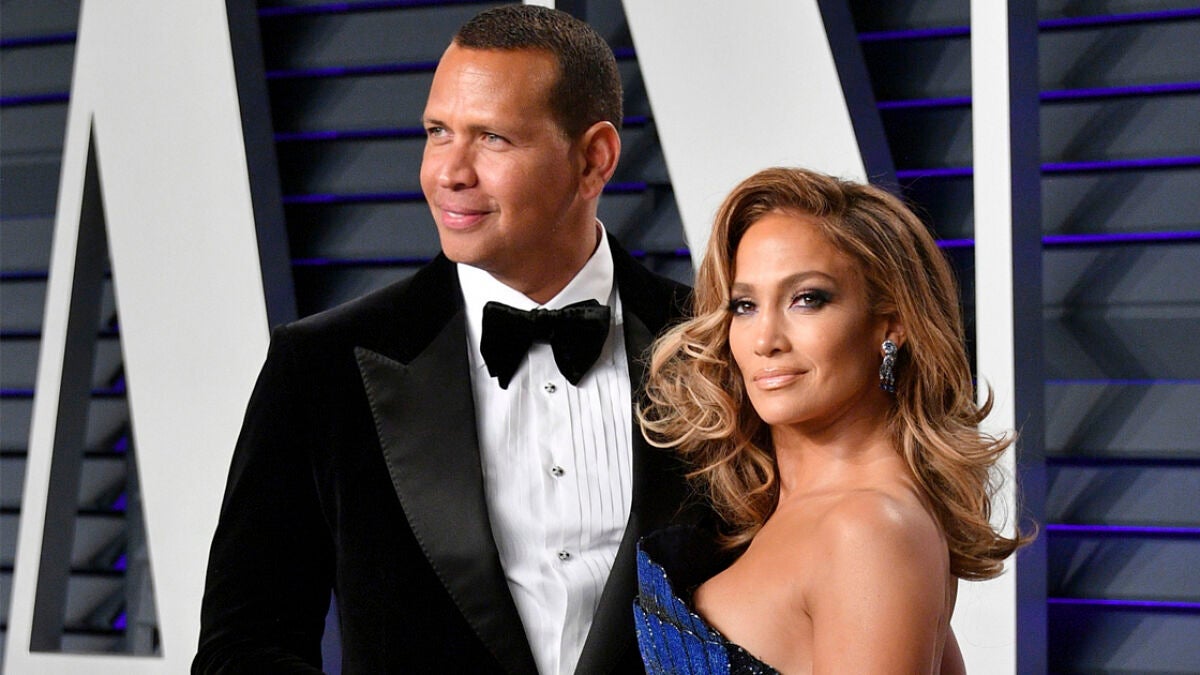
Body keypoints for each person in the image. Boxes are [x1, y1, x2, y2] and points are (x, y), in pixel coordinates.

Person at [194, 5, 703, 673]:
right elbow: (240, 648)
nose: (449, 173)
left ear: (594, 159)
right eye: (438, 133)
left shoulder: (715, 346)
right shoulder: (321, 365)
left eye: (492, 138)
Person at [634, 167, 1033, 673]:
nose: (765, 340)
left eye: (807, 299)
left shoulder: (866, 530)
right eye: (745, 305)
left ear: (892, 324)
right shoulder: (829, 513)